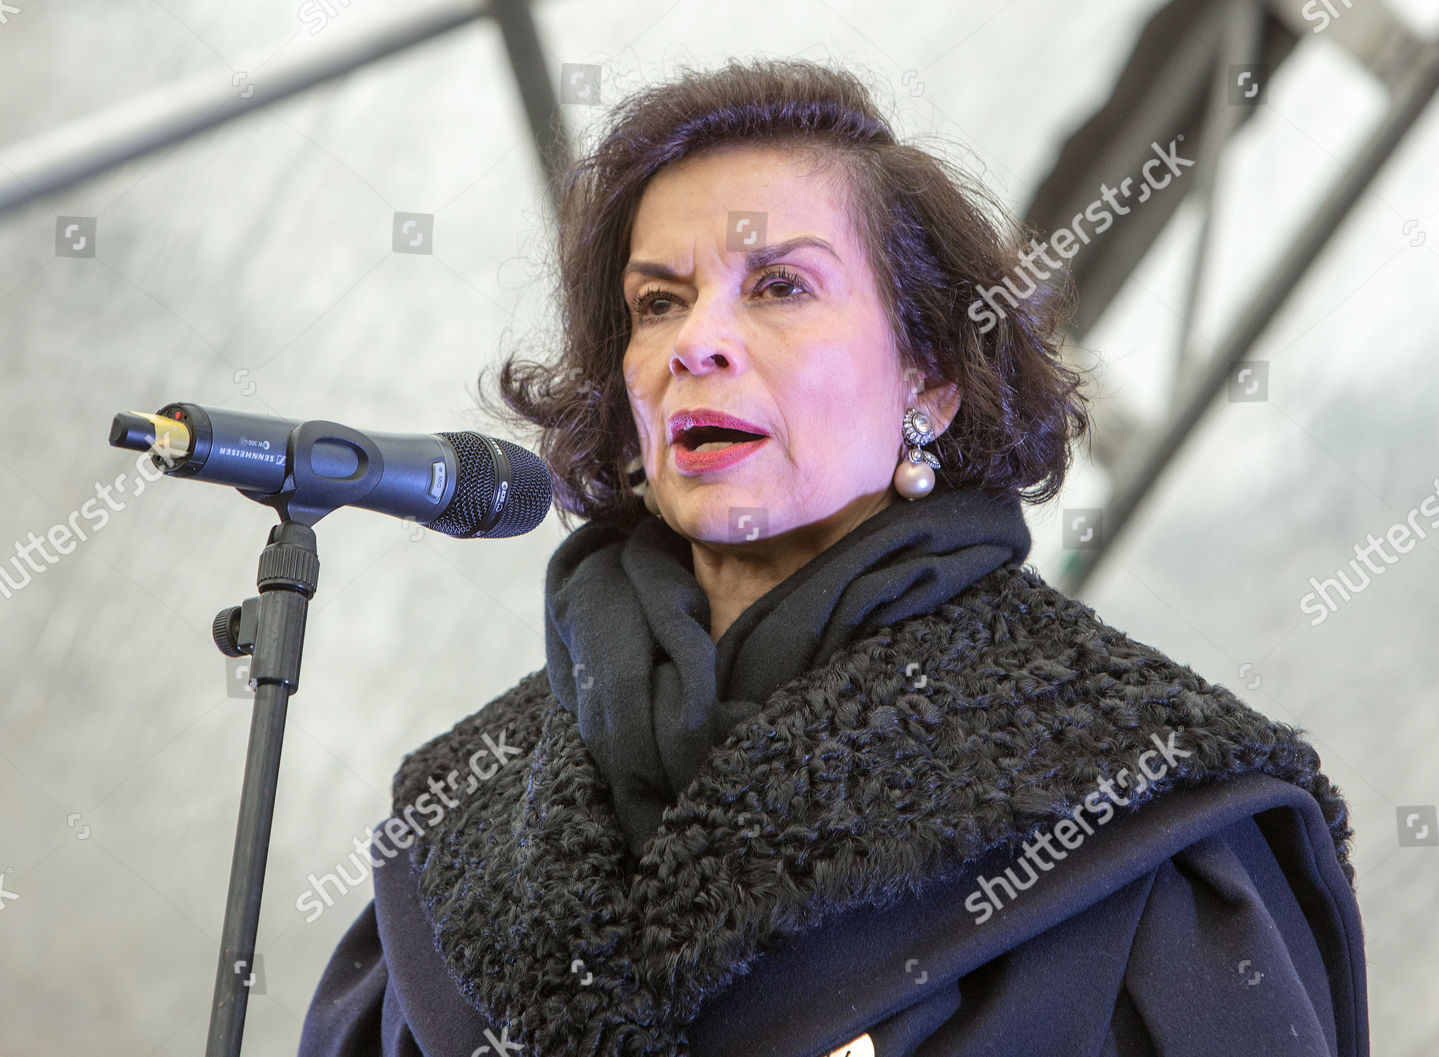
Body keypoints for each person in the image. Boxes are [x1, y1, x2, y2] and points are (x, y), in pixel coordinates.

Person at [297, 59, 1367, 1057]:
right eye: (657, 302)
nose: (694, 343)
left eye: (779, 287)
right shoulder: (455, 830)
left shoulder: (1143, 812)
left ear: (931, 377)